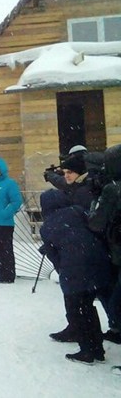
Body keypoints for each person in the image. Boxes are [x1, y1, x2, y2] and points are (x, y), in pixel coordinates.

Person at [40, 189, 110, 364]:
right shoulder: (78, 211)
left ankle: (87, 351)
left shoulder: (47, 226)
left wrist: (64, 273)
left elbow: (54, 256)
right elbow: (97, 228)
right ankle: (98, 350)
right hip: (99, 261)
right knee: (88, 307)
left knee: (77, 310)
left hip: (74, 269)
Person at [88, 144, 121, 347]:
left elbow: (96, 223)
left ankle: (117, 326)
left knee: (115, 298)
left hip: (117, 250)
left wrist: (95, 200)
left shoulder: (113, 189)